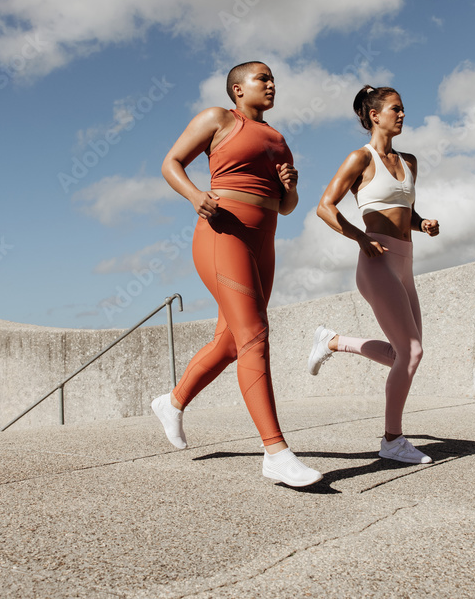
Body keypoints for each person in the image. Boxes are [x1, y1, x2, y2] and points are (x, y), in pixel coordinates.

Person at [151, 61, 322, 487]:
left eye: (273, 79)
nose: (271, 83)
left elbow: (285, 207)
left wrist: (291, 187)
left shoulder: (279, 140)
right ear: (237, 89)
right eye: (261, 78)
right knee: (255, 335)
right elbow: (171, 162)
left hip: (263, 242)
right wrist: (194, 195)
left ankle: (172, 403)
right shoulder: (219, 119)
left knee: (230, 343)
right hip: (222, 233)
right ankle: (276, 452)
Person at [310, 85, 439, 464]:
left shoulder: (410, 162)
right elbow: (325, 207)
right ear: (374, 116)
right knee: (412, 352)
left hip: (405, 261)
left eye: (403, 109)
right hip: (376, 260)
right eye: (395, 109)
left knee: (406, 354)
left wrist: (423, 223)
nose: (402, 114)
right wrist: (359, 238)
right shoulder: (360, 159)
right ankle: (392, 440)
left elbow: (403, 211)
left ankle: (333, 341)